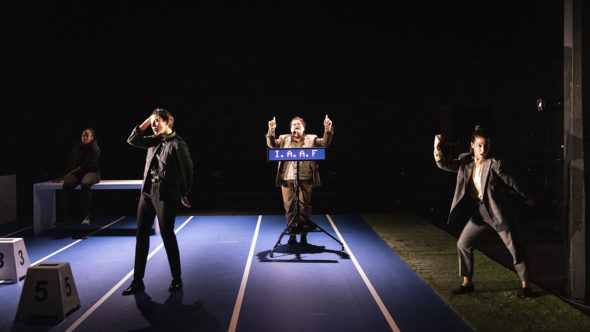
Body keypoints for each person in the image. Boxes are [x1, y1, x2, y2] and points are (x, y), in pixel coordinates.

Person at [434, 125, 535, 298]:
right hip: (479, 214)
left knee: (515, 249)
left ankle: (526, 286)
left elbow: (512, 182)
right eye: (479, 145)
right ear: (472, 145)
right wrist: (437, 147)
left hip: (497, 214)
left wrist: (528, 197)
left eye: (486, 145)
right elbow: (445, 164)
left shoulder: (495, 163)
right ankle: (467, 283)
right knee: (463, 244)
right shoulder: (465, 160)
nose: (483, 149)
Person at [122, 108, 193, 295]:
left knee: (167, 235)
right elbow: (132, 140)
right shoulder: (153, 140)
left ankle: (177, 279)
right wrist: (147, 121)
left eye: (156, 122)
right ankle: (138, 280)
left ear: (167, 122)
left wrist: (184, 192)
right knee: (141, 235)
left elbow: (187, 169)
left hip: (166, 194)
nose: (153, 126)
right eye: (152, 123)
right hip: (147, 193)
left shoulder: (178, 144)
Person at [266, 115, 333, 245]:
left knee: (303, 207)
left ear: (304, 127)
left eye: (298, 124)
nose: (296, 126)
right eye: (293, 124)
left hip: (306, 176)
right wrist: (271, 131)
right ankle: (292, 233)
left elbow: (324, 143)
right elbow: (272, 145)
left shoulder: (312, 138)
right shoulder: (283, 138)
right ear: (290, 127)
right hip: (287, 177)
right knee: (289, 207)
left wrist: (327, 128)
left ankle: (303, 234)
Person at [53, 128, 101, 225]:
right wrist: (63, 176)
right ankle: (63, 214)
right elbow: (71, 163)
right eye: (83, 135)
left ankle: (86, 215)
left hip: (92, 173)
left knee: (85, 183)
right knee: (67, 184)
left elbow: (86, 166)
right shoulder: (77, 147)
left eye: (87, 135)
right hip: (78, 173)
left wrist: (69, 174)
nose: (84, 138)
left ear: (92, 137)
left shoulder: (95, 149)